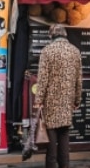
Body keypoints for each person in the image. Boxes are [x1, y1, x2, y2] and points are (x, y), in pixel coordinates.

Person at [35, 24, 83, 168]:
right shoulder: (75, 51)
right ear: (65, 35)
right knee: (64, 135)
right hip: (67, 99)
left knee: (51, 137)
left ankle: (51, 165)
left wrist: (39, 100)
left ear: (51, 35)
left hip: (51, 99)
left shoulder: (47, 51)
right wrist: (77, 99)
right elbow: (78, 79)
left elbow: (42, 78)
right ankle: (65, 165)